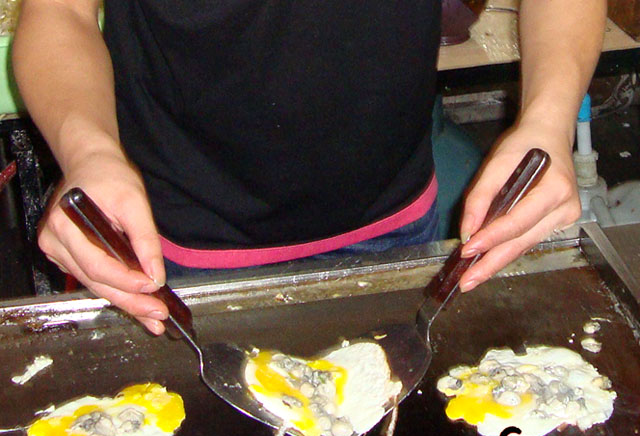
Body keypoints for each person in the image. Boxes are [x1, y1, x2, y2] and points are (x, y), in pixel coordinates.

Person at [13, 1, 606, 335]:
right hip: (176, 258)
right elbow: (59, 10)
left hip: (398, 227)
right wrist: (88, 152)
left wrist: (549, 119)